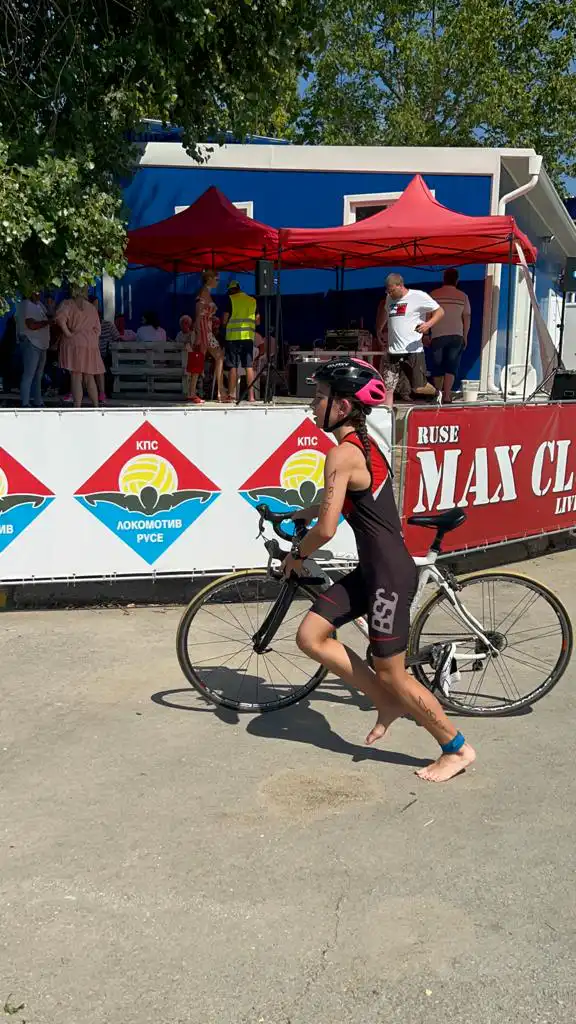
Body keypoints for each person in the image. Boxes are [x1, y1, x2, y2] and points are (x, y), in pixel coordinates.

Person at [282, 357, 476, 783]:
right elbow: (342, 503)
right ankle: (385, 702)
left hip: (387, 574)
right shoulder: (364, 447)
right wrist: (302, 512)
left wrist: (297, 555)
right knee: (310, 636)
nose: (312, 404)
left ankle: (456, 747)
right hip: (373, 569)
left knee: (393, 673)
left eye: (319, 397)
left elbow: (327, 529)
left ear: (342, 406)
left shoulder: (341, 454)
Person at [376, 273, 444, 402]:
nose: (390, 294)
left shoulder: (418, 296)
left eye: (392, 290)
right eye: (388, 291)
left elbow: (440, 311)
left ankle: (436, 393)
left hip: (413, 350)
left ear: (400, 285)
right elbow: (385, 311)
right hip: (393, 351)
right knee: (388, 388)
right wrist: (379, 329)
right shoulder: (389, 298)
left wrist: (428, 324)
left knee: (418, 387)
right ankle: (387, 412)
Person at [55, 288, 104, 407]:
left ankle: (77, 407)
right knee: (89, 376)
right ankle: (96, 406)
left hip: (74, 343)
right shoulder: (91, 307)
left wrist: (68, 333)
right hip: (90, 344)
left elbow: (60, 319)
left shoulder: (67, 304)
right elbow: (98, 330)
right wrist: (91, 339)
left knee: (76, 375)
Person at [429, 268, 471, 403]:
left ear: (444, 279)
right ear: (457, 280)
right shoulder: (463, 296)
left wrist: (425, 334)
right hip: (456, 335)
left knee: (437, 366)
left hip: (437, 335)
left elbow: (427, 315)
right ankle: (447, 395)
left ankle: (438, 394)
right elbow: (467, 317)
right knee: (451, 366)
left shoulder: (433, 294)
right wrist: (465, 336)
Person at [188, 272, 226, 404]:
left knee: (214, 356)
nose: (218, 281)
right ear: (209, 278)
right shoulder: (204, 292)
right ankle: (195, 392)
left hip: (206, 330)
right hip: (204, 330)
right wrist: (199, 334)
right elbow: (198, 314)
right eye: (216, 279)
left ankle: (219, 391)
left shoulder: (205, 292)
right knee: (203, 358)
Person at [221, 280, 259, 401]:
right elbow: (258, 320)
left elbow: (224, 320)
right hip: (248, 337)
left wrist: (225, 325)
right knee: (248, 366)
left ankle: (231, 395)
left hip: (233, 337)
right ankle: (251, 396)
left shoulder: (231, 299)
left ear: (231, 290)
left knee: (233, 366)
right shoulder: (252, 300)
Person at [17, 291, 51, 407]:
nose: (38, 293)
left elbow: (49, 315)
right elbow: (31, 325)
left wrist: (50, 307)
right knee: (29, 374)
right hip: (31, 342)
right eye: (35, 291)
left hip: (42, 344)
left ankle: (38, 401)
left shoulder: (40, 304)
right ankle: (25, 403)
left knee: (38, 375)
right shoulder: (26, 304)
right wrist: (47, 322)